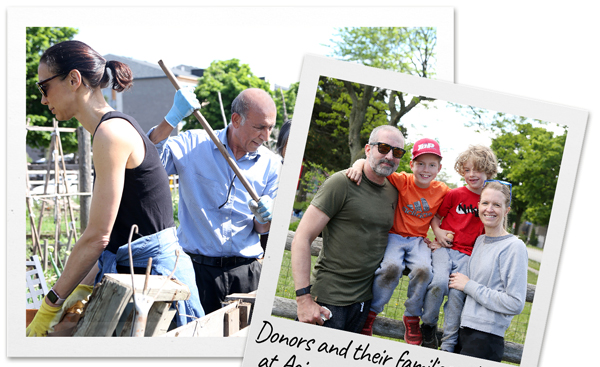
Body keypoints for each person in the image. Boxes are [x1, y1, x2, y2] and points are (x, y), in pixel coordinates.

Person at [26, 40, 204, 337]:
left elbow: (97, 236)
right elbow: (120, 234)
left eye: (44, 87)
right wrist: (81, 287)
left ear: (73, 80)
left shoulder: (110, 134)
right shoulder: (110, 130)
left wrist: (51, 305)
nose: (43, 100)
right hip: (138, 276)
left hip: (154, 287)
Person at [148, 87, 280, 314]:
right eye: (259, 127)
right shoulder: (193, 145)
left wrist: (266, 217)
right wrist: (171, 118)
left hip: (246, 273)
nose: (266, 137)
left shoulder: (271, 164)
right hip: (195, 271)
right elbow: (149, 158)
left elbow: (262, 228)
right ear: (236, 120)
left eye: (270, 128)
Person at [291, 125, 401, 332]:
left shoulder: (396, 191)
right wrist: (303, 299)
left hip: (363, 303)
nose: (390, 156)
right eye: (384, 148)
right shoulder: (341, 183)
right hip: (328, 299)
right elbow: (302, 238)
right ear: (368, 149)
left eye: (397, 152)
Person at [347, 138, 450, 343]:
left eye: (431, 165)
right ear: (411, 165)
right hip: (394, 236)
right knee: (391, 267)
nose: (425, 169)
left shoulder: (442, 190)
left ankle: (412, 315)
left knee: (425, 270)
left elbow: (445, 213)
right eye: (420, 163)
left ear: (439, 168)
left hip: (418, 241)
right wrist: (357, 164)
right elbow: (372, 168)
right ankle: (371, 313)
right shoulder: (402, 180)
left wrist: (438, 232)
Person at [420, 145, 499, 351]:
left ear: (488, 172)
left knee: (457, 295)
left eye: (477, 169)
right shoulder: (455, 194)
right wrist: (437, 233)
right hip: (444, 249)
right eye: (466, 170)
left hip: (469, 256)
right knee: (437, 283)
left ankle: (449, 344)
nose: (471, 174)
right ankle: (427, 326)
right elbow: (435, 218)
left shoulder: (488, 201)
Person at [448, 180, 528, 362]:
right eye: (485, 203)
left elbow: (515, 303)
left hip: (486, 338)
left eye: (497, 205)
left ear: (506, 210)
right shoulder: (479, 241)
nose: (489, 209)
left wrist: (469, 286)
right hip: (463, 330)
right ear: (478, 206)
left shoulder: (514, 246)